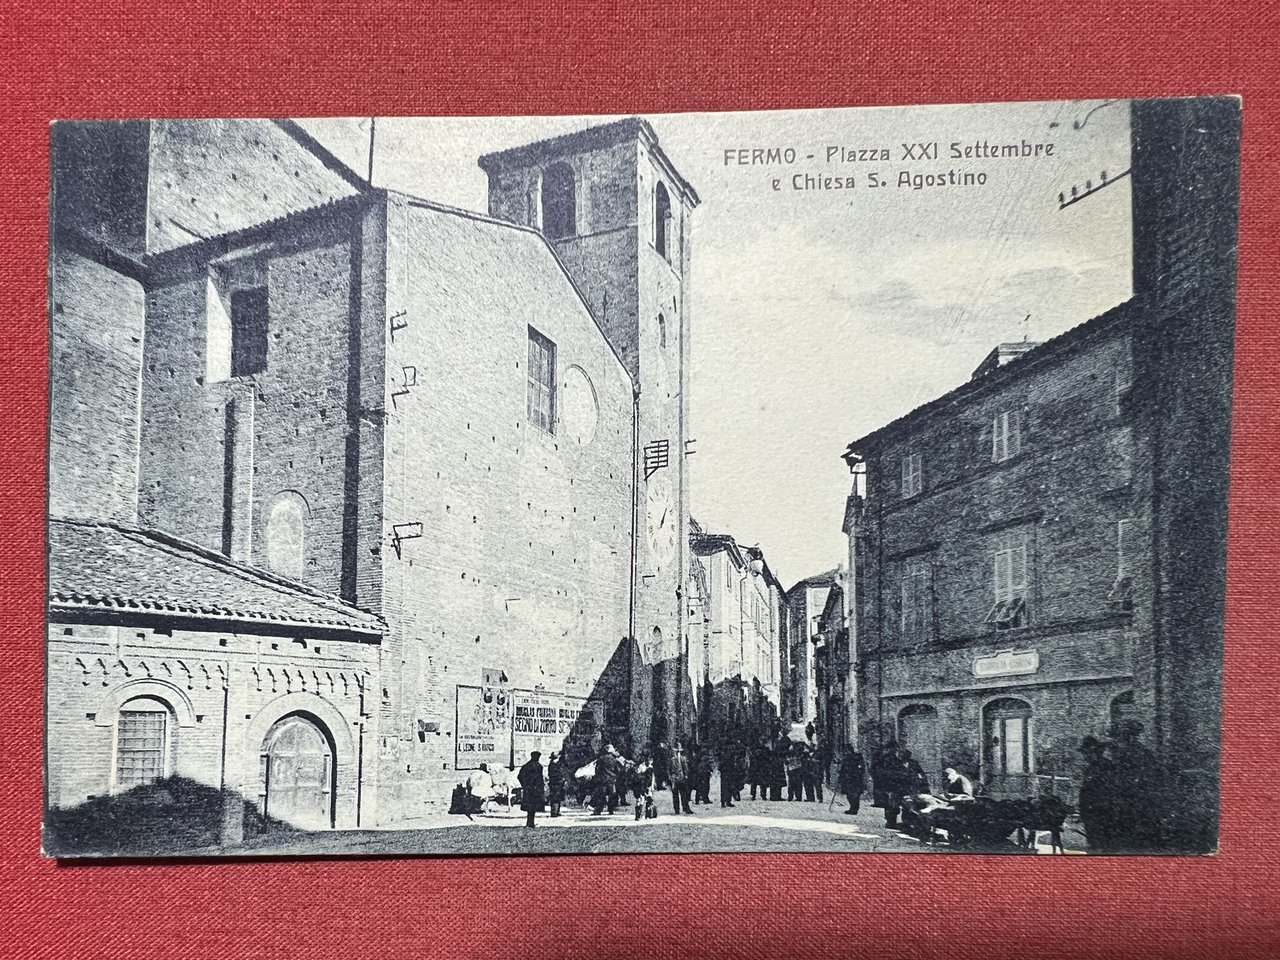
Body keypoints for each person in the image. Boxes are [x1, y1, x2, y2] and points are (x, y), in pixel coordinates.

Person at [1077, 735, 1119, 853]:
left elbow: (1107, 790)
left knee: (1102, 844)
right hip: (1091, 812)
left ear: (1096, 752)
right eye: (1084, 754)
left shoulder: (1105, 766)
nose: (1085, 757)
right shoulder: (1091, 768)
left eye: (1087, 753)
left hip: (1100, 811)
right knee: (1094, 843)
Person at [517, 752, 547, 828]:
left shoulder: (526, 766)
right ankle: (531, 823)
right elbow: (539, 779)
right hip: (536, 789)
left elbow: (519, 776)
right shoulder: (538, 766)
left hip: (528, 789)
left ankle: (530, 822)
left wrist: (525, 785)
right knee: (533, 806)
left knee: (530, 807)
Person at [592, 744, 622, 815]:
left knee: (601, 795)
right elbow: (618, 770)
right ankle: (610, 810)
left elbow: (597, 769)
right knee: (612, 795)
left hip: (602, 779)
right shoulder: (614, 760)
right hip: (611, 780)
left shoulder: (601, 759)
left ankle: (598, 810)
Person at [838, 746, 866, 816]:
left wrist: (857, 773)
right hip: (847, 779)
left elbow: (861, 768)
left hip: (855, 779)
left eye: (847, 751)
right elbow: (843, 769)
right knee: (849, 795)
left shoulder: (856, 758)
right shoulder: (846, 759)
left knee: (854, 795)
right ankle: (853, 808)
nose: (846, 752)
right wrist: (841, 776)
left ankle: (854, 809)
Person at [668, 740, 694, 815]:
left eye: (678, 751)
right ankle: (677, 809)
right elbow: (669, 769)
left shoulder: (683, 758)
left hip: (682, 778)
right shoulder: (671, 759)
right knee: (675, 795)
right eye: (676, 751)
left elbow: (685, 767)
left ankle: (686, 808)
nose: (677, 752)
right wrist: (670, 777)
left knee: (684, 794)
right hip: (674, 778)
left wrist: (686, 775)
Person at [717, 740, 737, 808]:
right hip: (726, 772)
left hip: (729, 772)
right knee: (726, 787)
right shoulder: (726, 755)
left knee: (728, 787)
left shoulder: (730, 755)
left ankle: (727, 801)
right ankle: (724, 802)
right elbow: (721, 764)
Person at [547, 752, 566, 818]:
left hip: (557, 783)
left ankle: (556, 811)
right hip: (555, 783)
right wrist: (561, 779)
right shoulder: (553, 765)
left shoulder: (554, 764)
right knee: (555, 798)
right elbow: (554, 775)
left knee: (557, 798)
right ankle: (554, 812)